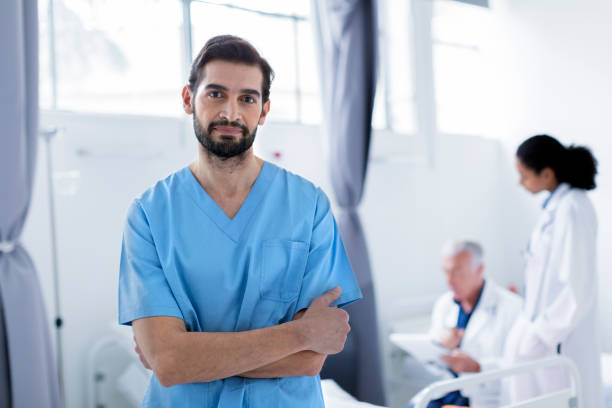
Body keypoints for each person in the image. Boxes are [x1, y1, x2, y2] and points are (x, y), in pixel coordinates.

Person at [118, 35, 362, 407]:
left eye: (247, 98)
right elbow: (168, 363)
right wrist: (301, 333)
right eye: (215, 94)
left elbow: (312, 358)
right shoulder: (150, 214)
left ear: (263, 110)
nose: (230, 113)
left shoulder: (308, 206)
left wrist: (191, 355)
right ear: (189, 99)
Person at [503, 134, 603, 407]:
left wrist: (543, 334)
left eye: (524, 175)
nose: (520, 183)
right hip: (545, 335)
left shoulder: (572, 208)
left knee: (561, 398)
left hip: (559, 339)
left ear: (546, 174)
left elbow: (578, 287)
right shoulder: (555, 209)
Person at [423, 240, 521, 408]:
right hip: (446, 393)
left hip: (485, 399)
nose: (449, 281)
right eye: (446, 272)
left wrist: (477, 367)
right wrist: (442, 348)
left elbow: (518, 369)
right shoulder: (444, 305)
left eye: (457, 272)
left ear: (480, 269)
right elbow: (432, 366)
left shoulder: (512, 307)